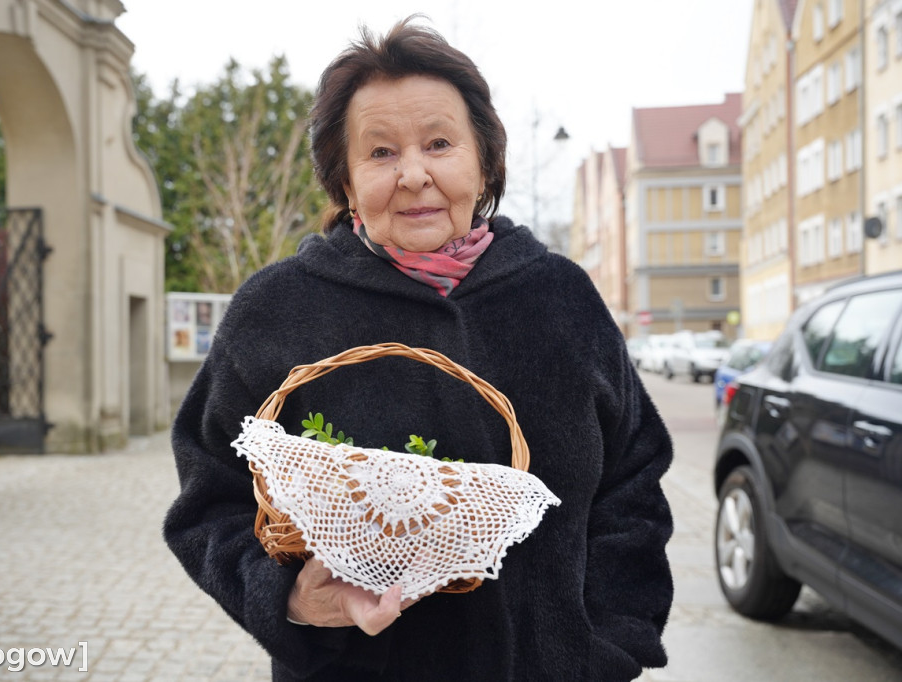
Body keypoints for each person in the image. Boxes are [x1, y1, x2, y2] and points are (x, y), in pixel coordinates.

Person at [165, 17, 674, 681]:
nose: (413, 175)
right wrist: (288, 598)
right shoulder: (275, 311)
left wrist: (609, 646)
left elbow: (633, 482)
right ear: (346, 182)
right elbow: (209, 499)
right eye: (380, 153)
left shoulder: (561, 298)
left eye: (439, 143)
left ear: (484, 162)